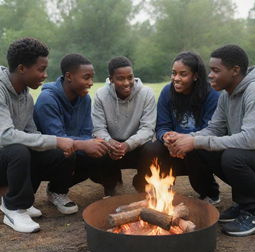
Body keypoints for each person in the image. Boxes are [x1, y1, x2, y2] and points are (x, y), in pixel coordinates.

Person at [168, 45, 255, 237]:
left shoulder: (253, 91)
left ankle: (252, 210)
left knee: (233, 157)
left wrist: (197, 141)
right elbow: (214, 129)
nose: (209, 75)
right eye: (210, 70)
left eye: (216, 70)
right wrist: (188, 138)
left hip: (250, 150)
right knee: (200, 147)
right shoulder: (226, 95)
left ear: (235, 71)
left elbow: (251, 139)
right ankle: (243, 203)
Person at [0, 38, 78, 233]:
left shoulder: (25, 94)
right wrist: (56, 140)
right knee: (18, 150)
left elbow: (31, 133)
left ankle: (27, 202)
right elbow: (5, 136)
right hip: (5, 153)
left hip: (8, 157)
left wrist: (56, 145)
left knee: (56, 153)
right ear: (21, 68)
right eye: (40, 69)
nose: (45, 75)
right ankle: (13, 208)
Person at [134, 52, 220, 203]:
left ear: (195, 76)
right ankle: (161, 190)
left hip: (198, 145)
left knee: (196, 149)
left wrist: (185, 140)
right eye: (174, 73)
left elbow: (211, 129)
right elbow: (161, 126)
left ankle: (210, 193)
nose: (176, 78)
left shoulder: (211, 95)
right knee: (151, 148)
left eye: (183, 74)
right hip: (173, 146)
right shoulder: (167, 92)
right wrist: (166, 137)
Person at [34, 54, 109, 188]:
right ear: (69, 77)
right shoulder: (47, 99)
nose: (91, 83)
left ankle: (56, 189)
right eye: (86, 77)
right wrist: (84, 145)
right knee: (66, 154)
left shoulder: (85, 98)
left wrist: (97, 143)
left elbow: (86, 133)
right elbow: (56, 139)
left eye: (92, 77)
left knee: (100, 152)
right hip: (46, 155)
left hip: (72, 150)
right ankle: (59, 191)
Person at [91, 56, 156, 195]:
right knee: (99, 146)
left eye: (130, 77)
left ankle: (141, 183)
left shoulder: (146, 93)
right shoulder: (101, 95)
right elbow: (98, 128)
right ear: (111, 79)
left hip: (137, 144)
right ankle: (110, 185)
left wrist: (128, 144)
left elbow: (148, 129)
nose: (127, 83)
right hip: (112, 146)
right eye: (120, 78)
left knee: (153, 148)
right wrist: (109, 142)